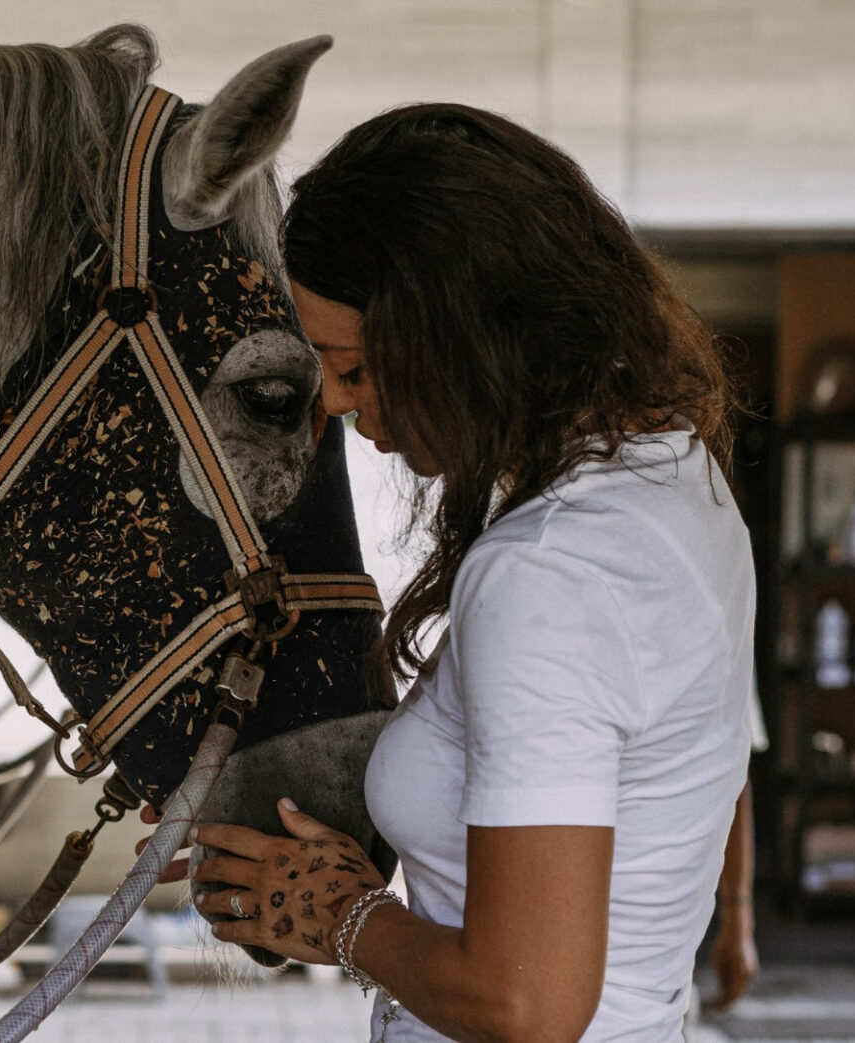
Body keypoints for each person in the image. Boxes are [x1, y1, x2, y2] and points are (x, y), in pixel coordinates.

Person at [179, 103, 756, 1043]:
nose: (336, 406)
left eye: (355, 370)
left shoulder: (549, 570)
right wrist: (327, 880)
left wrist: (340, 914)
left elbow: (525, 1003)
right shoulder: (671, 477)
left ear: (464, 336)